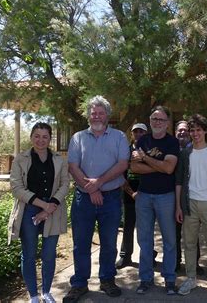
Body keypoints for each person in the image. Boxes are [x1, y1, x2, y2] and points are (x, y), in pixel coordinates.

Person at [64, 95, 130, 302]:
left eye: (101, 113)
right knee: (81, 243)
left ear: (108, 116)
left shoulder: (119, 136)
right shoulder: (77, 138)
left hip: (110, 198)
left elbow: (123, 164)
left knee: (109, 243)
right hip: (84, 199)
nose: (97, 116)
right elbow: (73, 166)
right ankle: (80, 283)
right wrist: (90, 189)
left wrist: (99, 183)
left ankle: (107, 279)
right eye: (93, 113)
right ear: (88, 116)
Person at [8, 123, 70, 303]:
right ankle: (33, 295)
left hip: (53, 210)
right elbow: (16, 188)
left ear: (50, 139)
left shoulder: (59, 160)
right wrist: (43, 205)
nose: (40, 140)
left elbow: (65, 184)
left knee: (49, 254)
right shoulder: (20, 159)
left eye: (45, 136)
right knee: (29, 254)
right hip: (29, 210)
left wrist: (51, 206)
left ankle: (46, 292)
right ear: (31, 137)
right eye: (37, 136)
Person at [175, 114, 207, 297]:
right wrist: (178, 206)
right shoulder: (185, 154)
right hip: (189, 204)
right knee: (189, 244)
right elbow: (179, 181)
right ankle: (191, 278)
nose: (195, 133)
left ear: (205, 131)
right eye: (192, 130)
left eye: (198, 129)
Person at [131, 106, 179, 295]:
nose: (157, 122)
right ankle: (145, 278)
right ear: (150, 121)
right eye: (154, 118)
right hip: (143, 195)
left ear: (167, 122)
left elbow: (170, 169)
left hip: (166, 196)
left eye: (161, 119)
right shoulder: (143, 140)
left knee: (169, 240)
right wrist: (159, 165)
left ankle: (169, 279)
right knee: (144, 239)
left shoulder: (172, 142)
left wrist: (145, 158)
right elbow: (135, 168)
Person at [115, 123, 148, 269]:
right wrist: (132, 193)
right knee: (128, 226)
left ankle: (148, 255)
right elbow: (121, 176)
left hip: (148, 194)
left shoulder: (151, 151)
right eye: (136, 132)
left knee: (146, 228)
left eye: (141, 132)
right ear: (132, 134)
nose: (138, 134)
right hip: (130, 196)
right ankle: (125, 256)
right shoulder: (125, 151)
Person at [174, 120, 204, 275]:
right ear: (175, 132)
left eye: (186, 130)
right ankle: (175, 262)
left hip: (192, 196)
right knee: (174, 232)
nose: (182, 133)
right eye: (180, 130)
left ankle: (194, 263)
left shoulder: (197, 149)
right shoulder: (171, 148)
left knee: (192, 233)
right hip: (172, 196)